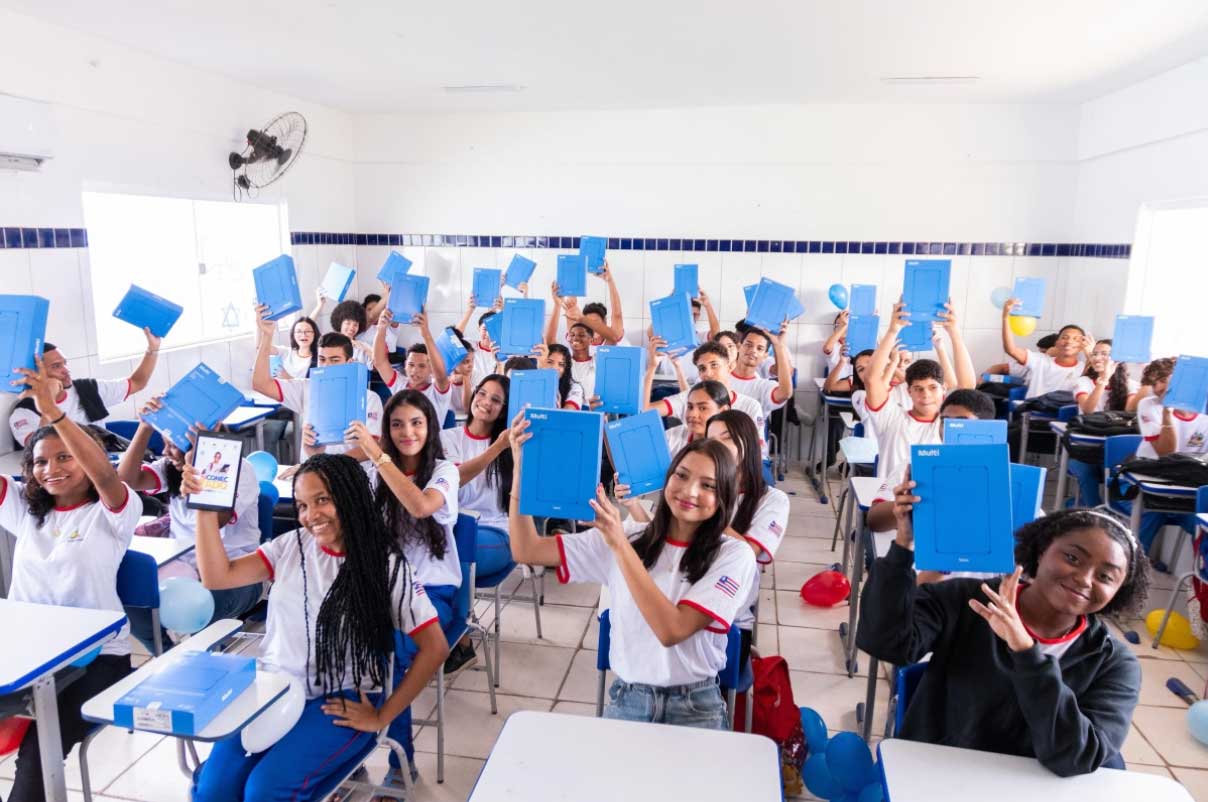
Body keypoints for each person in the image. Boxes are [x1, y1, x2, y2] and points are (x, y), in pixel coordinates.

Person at [188, 453, 447, 801]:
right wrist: (205, 507)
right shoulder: (291, 546)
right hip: (271, 688)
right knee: (213, 792)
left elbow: (435, 648)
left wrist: (381, 716)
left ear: (351, 497)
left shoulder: (387, 565)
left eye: (322, 500)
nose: (311, 515)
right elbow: (217, 576)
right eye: (302, 505)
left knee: (264, 791)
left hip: (338, 699)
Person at [858, 476, 1147, 777]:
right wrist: (903, 547)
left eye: (1105, 577)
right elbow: (883, 642)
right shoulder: (968, 600)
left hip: (1035, 788)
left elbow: (1075, 757)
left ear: (1119, 591)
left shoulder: (1114, 663)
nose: (1085, 579)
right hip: (944, 775)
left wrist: (1026, 653)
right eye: (1073, 558)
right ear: (1042, 551)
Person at [508, 416, 756, 730]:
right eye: (681, 475)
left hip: (696, 705)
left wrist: (619, 543)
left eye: (708, 486)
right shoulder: (630, 536)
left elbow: (672, 630)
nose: (689, 491)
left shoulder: (734, 554)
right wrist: (521, 473)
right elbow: (527, 550)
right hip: (629, 698)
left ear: (724, 497)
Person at [2, 355, 141, 802]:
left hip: (97, 660)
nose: (52, 469)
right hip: (28, 652)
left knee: (36, 753)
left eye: (65, 457)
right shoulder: (26, 511)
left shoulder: (113, 511)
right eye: (40, 462)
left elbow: (104, 473)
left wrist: (53, 413)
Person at [350, 389, 461, 783]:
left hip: (433, 592)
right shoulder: (371, 473)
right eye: (396, 425)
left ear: (430, 427)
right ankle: (348, 757)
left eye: (416, 423)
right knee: (341, 645)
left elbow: (420, 506)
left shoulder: (445, 471)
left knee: (391, 651)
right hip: (384, 589)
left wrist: (377, 456)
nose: (407, 432)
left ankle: (401, 765)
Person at [115, 401, 263, 654]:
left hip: (233, 574)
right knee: (128, 593)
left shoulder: (241, 471)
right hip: (180, 570)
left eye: (172, 444)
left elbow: (214, 521)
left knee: (197, 605)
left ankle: (199, 656)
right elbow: (126, 481)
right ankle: (166, 654)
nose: (165, 451)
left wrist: (204, 468)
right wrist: (144, 427)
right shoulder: (171, 467)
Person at [861, 300, 977, 531]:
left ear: (944, 390)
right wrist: (893, 330)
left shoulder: (949, 424)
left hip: (937, 512)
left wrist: (953, 332)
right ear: (909, 391)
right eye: (918, 388)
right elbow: (872, 380)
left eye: (933, 388)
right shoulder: (892, 417)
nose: (926, 395)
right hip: (892, 510)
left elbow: (968, 387)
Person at [251, 305, 384, 461]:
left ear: (350, 362)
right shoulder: (307, 387)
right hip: (311, 472)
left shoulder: (369, 399)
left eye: (335, 360)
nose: (326, 366)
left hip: (348, 473)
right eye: (322, 359)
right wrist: (267, 335)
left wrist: (327, 465)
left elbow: (372, 447)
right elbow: (260, 383)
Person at [9, 333, 161, 447]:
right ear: (35, 375)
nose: (66, 370)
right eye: (56, 366)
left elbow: (137, 382)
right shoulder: (24, 411)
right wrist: (49, 402)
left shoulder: (87, 389)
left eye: (65, 363)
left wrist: (153, 349)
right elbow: (36, 449)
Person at [1131, 357, 1208, 552]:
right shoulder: (1149, 405)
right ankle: (1135, 564)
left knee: (1202, 529)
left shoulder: (1203, 412)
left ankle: (1200, 571)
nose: (1159, 388)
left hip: (1187, 490)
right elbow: (1167, 453)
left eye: (1165, 380)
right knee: (1151, 516)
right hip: (1150, 484)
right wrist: (1167, 413)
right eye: (1155, 382)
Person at [644, 340, 768, 456]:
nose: (707, 373)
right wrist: (652, 367)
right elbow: (645, 411)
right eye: (702, 369)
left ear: (730, 366)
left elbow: (756, 451)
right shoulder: (688, 397)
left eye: (714, 365)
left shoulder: (750, 405)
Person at [1065, 339, 1138, 507]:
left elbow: (1130, 411)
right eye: (1094, 354)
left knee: (1120, 474)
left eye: (1104, 354)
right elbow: (1088, 410)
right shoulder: (1084, 382)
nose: (1097, 358)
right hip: (1085, 451)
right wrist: (1103, 381)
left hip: (1116, 452)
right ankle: (1094, 512)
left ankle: (1113, 511)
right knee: (1085, 472)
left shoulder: (1130, 385)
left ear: (1118, 360)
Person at [372, 309, 453, 424]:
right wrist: (381, 328)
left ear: (431, 369)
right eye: (411, 365)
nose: (415, 370)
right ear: (405, 365)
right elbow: (379, 362)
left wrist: (425, 333)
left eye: (422, 366)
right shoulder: (400, 384)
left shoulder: (438, 391)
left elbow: (441, 375)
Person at [662, 380, 733, 459]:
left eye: (703, 408)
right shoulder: (670, 437)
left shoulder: (732, 449)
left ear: (723, 411)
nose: (692, 414)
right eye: (690, 407)